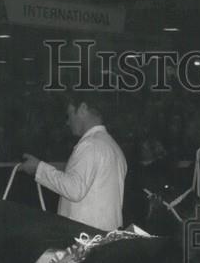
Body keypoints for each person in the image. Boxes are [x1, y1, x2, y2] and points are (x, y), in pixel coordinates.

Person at [19, 95, 127, 231]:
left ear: (82, 109)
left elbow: (74, 189)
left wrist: (38, 168)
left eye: (69, 114)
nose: (68, 122)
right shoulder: (114, 147)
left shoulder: (90, 145)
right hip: (105, 235)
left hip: (86, 238)